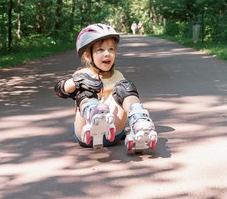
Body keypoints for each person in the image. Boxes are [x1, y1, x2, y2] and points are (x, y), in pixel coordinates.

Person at [54, 23, 157, 151]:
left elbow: (125, 98)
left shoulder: (118, 76)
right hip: (86, 132)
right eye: (100, 50)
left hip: (112, 133)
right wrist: (76, 81)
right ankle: (93, 113)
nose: (107, 54)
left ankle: (139, 120)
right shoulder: (83, 74)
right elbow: (60, 90)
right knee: (84, 87)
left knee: (125, 87)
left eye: (111, 49)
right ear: (87, 55)